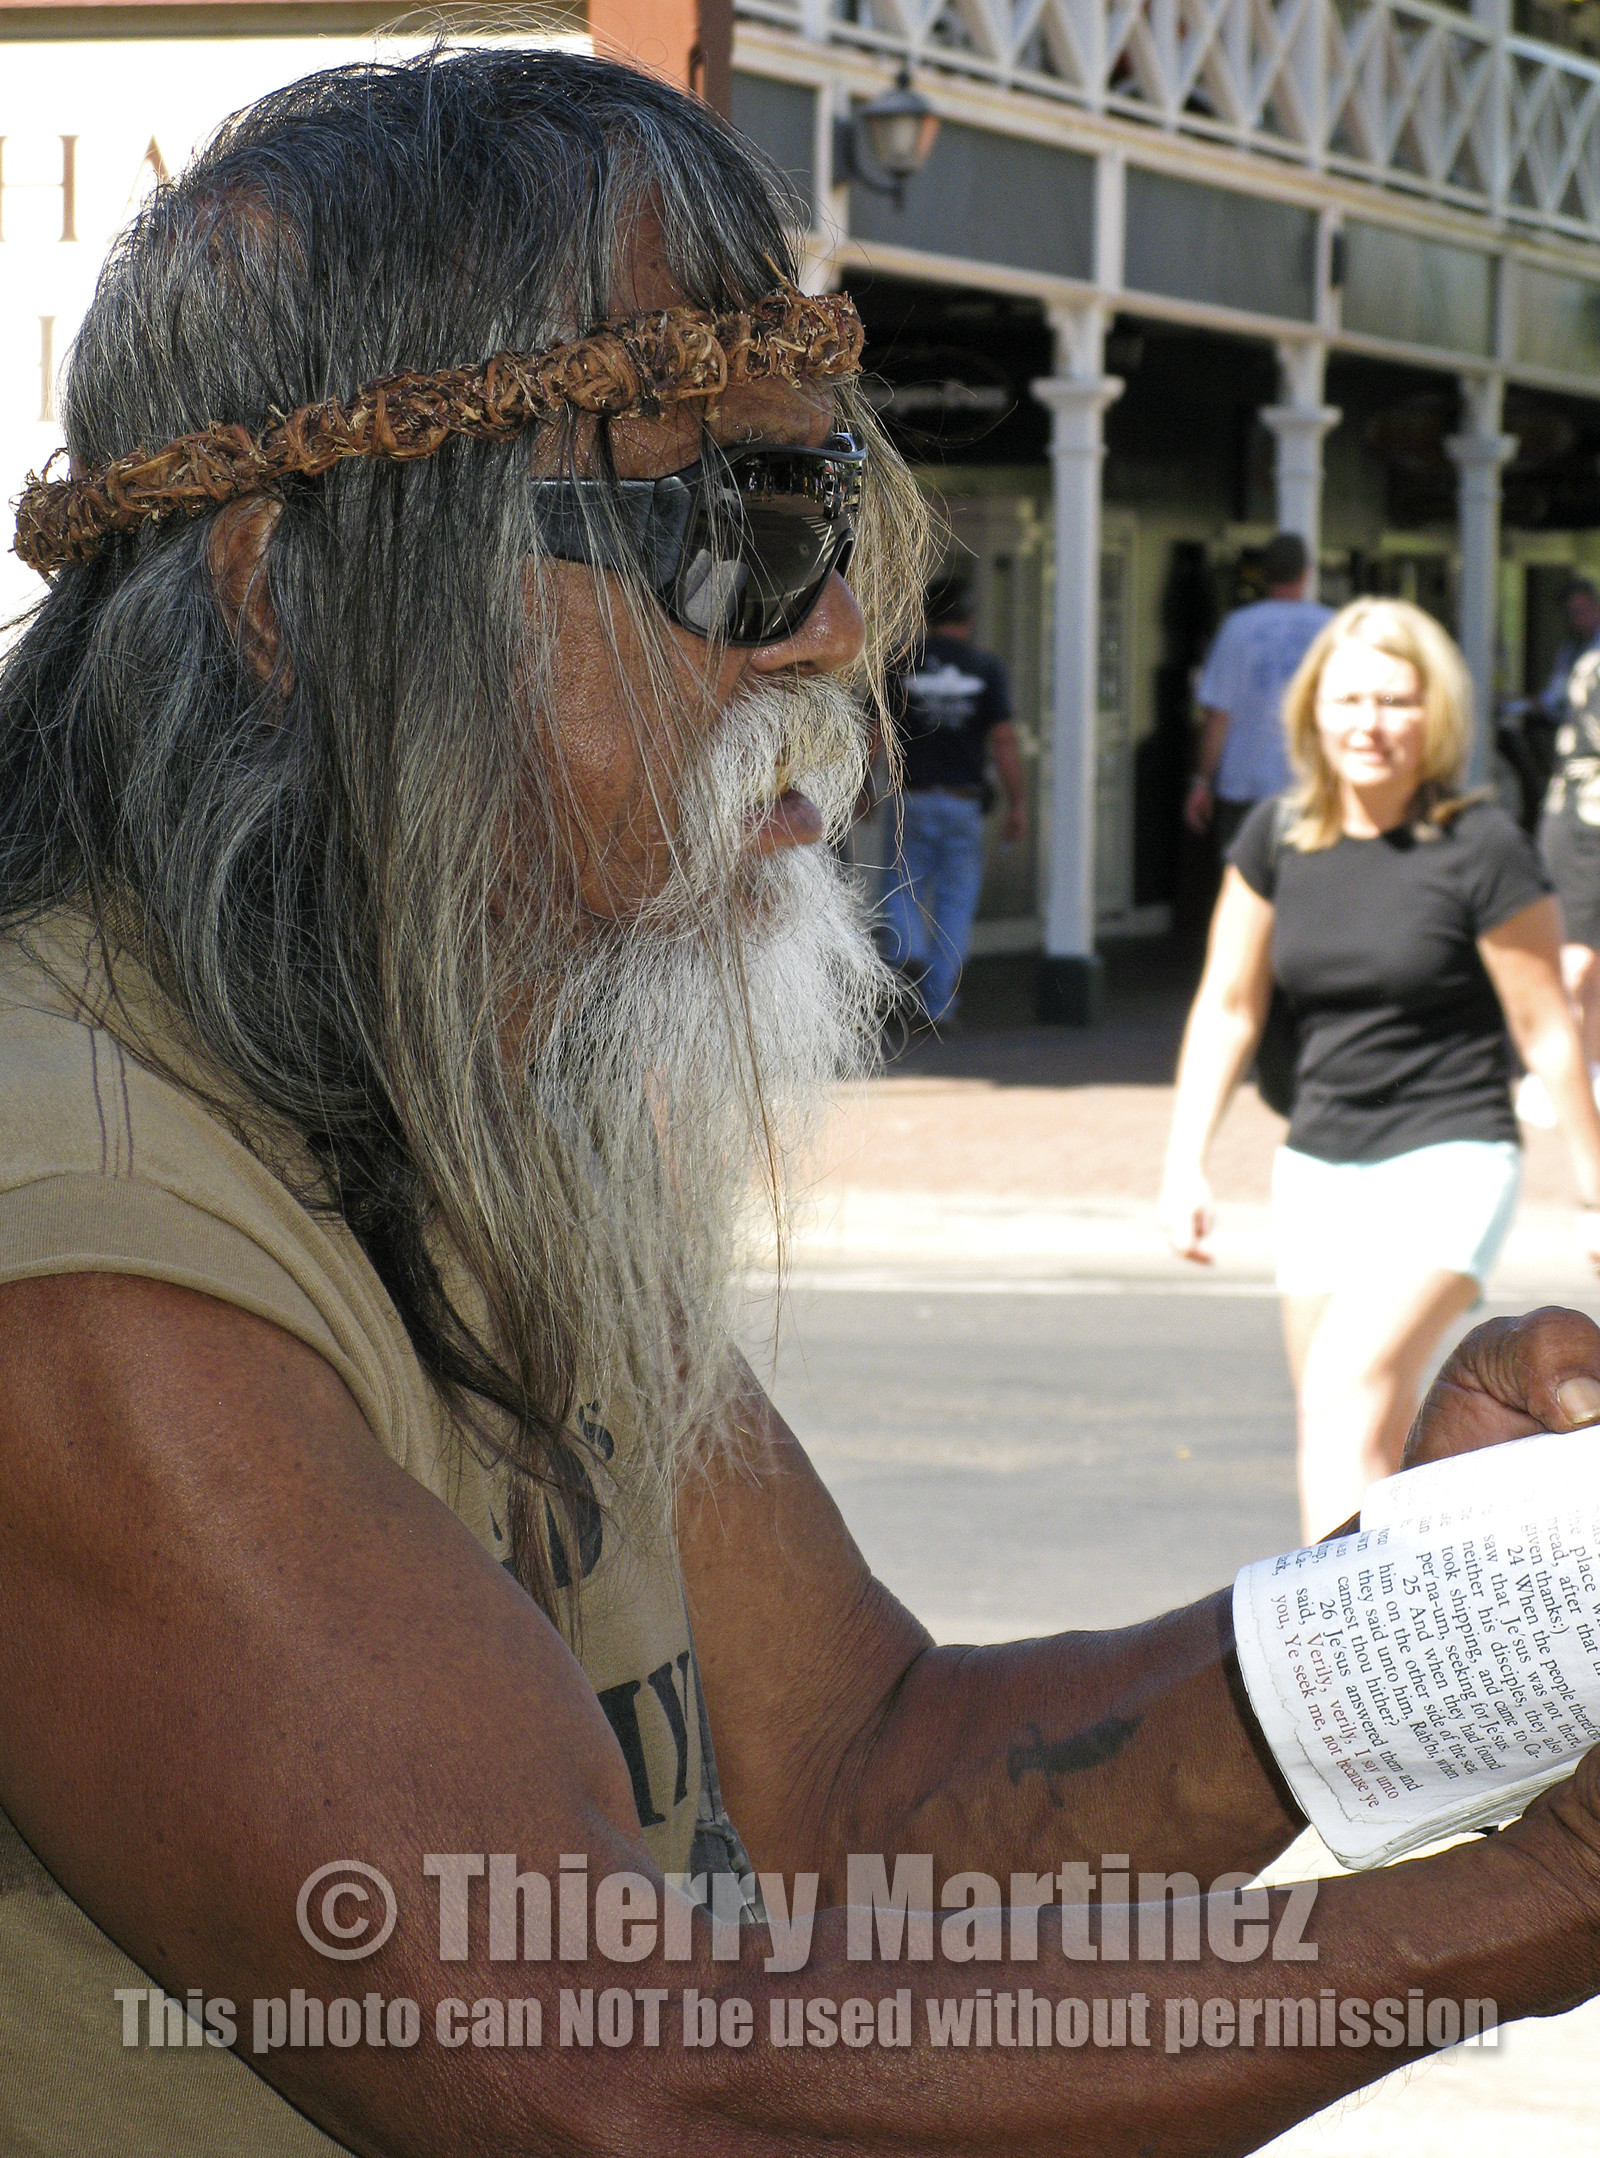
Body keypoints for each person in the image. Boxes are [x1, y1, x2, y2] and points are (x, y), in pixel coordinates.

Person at [10, 49, 1600, 2158]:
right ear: (292, 596)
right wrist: (1524, 1901)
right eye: (729, 526)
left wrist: (1456, 1621)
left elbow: (857, 1786)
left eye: (822, 509)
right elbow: (616, 2081)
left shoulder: (471, 1077)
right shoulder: (85, 1221)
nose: (838, 627)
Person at [1160, 596, 1600, 1539]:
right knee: (1369, 1434)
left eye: (1398, 702)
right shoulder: (1277, 838)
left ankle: (1322, 1655)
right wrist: (1183, 1161)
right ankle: (1429, 1642)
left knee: (1343, 1397)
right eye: (1352, 699)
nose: (1371, 724)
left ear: (1434, 716)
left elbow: (1548, 1028)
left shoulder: (1481, 848)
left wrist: (1596, 1182)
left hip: (1452, 1156)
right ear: (1314, 708)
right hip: (1318, 1164)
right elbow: (1229, 1005)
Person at [877, 574, 1027, 1028]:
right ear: (970, 616)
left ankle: (910, 953)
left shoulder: (900, 663)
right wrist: (1018, 802)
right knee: (956, 905)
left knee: (900, 889)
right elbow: (1003, 741)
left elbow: (874, 733)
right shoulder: (985, 668)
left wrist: (864, 787)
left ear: (925, 613)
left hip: (911, 800)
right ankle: (938, 1003)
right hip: (963, 803)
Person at [1184, 532, 1334, 852]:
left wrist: (1202, 781)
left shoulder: (1238, 627)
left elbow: (1217, 716)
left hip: (1245, 787)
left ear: (1265, 574)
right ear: (1306, 572)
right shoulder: (1331, 627)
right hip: (1313, 786)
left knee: (1244, 885)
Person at [1530, 577, 1600, 1099]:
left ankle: (1590, 1071)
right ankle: (1549, 1077)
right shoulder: (1588, 663)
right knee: (1576, 960)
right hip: (1581, 826)